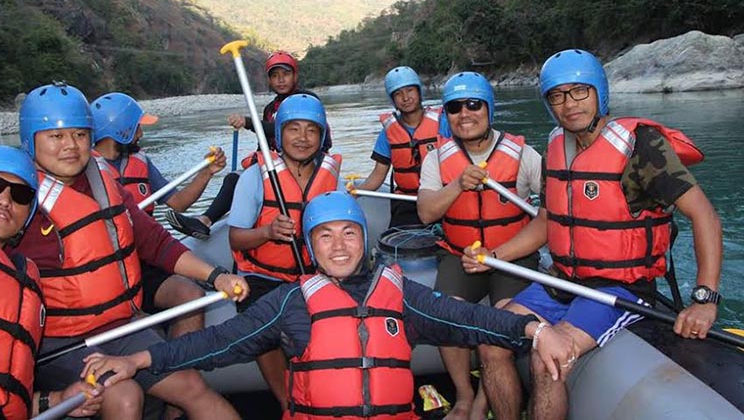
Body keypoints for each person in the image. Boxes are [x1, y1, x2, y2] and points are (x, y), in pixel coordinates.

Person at [80, 191, 577, 420]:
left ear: (364, 239)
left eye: (348, 234)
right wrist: (138, 359)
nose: (339, 247)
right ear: (311, 247)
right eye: (325, 237)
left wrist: (536, 330)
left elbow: (469, 318)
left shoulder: (401, 293)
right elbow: (216, 343)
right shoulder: (290, 303)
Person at [467, 49, 722, 419]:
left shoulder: (642, 146)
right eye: (557, 95)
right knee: (491, 338)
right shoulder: (556, 146)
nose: (569, 104)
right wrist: (493, 256)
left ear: (599, 93)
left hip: (620, 289)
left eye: (579, 92)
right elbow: (547, 222)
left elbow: (705, 216)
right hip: (564, 281)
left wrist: (705, 299)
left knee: (548, 357)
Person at [12, 82, 250, 419]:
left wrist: (217, 276)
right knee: (123, 396)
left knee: (192, 386)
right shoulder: (17, 199)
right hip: (59, 343)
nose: (71, 146)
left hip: (119, 326)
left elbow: (155, 241)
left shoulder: (102, 182)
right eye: (56, 136)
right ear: (31, 139)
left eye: (80, 135)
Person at [416, 72, 543, 419]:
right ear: (447, 115)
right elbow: (426, 213)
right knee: (446, 315)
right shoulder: (437, 159)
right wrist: (457, 184)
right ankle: (464, 395)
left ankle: (488, 398)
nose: (465, 113)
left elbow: (549, 217)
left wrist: (499, 256)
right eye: (455, 107)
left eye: (474, 104)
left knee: (503, 320)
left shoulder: (523, 154)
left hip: (511, 255)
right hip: (460, 255)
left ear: (489, 108)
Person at [0, 145, 102, 419]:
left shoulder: (25, 280)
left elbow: (4, 395)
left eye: (21, 195)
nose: (5, 200)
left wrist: (58, 399)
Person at [227, 93, 342, 409]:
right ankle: (287, 403)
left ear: (321, 135)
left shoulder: (330, 176)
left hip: (312, 274)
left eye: (311, 130)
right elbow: (235, 238)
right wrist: (267, 232)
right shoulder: (254, 177)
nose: (302, 138)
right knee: (262, 327)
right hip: (262, 276)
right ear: (279, 134)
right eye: (293, 129)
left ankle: (330, 394)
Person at [91, 92, 225, 339]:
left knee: (191, 295)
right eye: (137, 128)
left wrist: (207, 173)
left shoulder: (140, 160)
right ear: (120, 132)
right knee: (142, 324)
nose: (141, 134)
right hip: (108, 272)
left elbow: (178, 203)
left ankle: (180, 365)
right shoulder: (85, 170)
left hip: (145, 261)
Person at [167, 49, 332, 239]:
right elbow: (266, 142)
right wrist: (256, 162)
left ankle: (206, 219)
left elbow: (283, 131)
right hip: (281, 165)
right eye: (275, 76)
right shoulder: (271, 108)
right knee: (235, 178)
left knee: (236, 179)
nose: (280, 80)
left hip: (307, 164)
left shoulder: (306, 100)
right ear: (269, 80)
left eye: (285, 74)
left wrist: (248, 121)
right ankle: (205, 221)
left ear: (295, 75)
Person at [355, 66, 449, 227]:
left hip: (441, 198)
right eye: (398, 94)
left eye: (410, 90)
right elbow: (377, 175)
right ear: (393, 100)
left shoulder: (443, 124)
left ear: (419, 92)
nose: (405, 98)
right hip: (406, 200)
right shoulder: (388, 133)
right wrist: (354, 194)